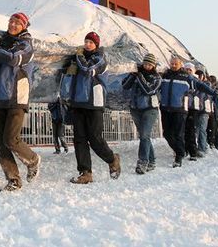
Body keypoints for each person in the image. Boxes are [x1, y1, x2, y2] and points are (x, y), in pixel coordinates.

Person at [0, 12, 41, 191]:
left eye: (17, 23)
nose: (13, 25)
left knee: (11, 139)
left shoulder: (26, 45)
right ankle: (13, 179)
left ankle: (33, 160)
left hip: (16, 98)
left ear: (24, 26)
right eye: (11, 21)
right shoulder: (2, 42)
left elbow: (13, 59)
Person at [61, 31, 121, 184]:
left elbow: (87, 69)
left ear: (96, 45)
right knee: (79, 139)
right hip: (77, 102)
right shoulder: (77, 59)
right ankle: (85, 172)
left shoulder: (100, 59)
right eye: (86, 41)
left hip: (94, 103)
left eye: (91, 42)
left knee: (95, 138)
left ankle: (112, 159)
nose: (87, 44)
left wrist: (79, 56)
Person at [122, 53, 161, 174]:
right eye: (145, 63)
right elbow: (125, 86)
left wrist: (139, 76)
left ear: (153, 65)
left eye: (150, 64)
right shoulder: (137, 74)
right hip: (136, 108)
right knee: (145, 136)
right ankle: (152, 160)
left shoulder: (157, 77)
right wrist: (132, 75)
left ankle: (142, 161)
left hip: (150, 109)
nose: (147, 66)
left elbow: (149, 90)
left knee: (144, 135)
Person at [194, 70, 212, 155]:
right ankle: (200, 145)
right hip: (196, 109)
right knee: (196, 129)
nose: (198, 77)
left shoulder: (207, 85)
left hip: (204, 110)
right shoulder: (193, 83)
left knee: (202, 128)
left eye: (200, 76)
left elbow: (202, 94)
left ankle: (202, 148)